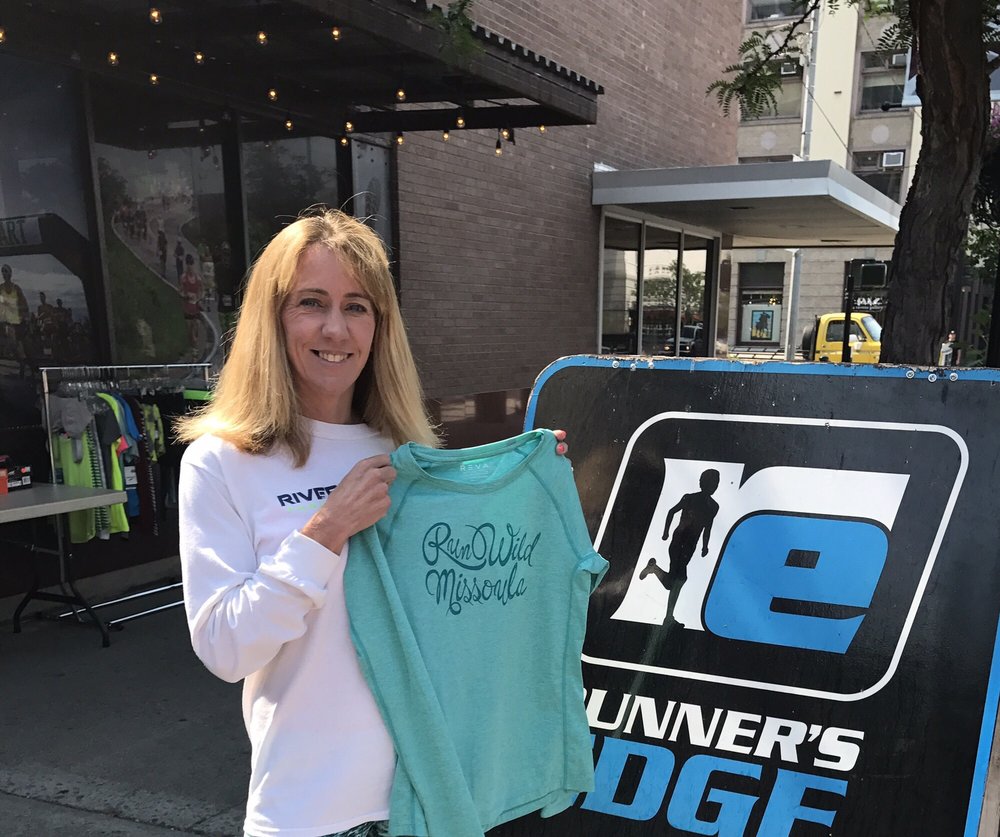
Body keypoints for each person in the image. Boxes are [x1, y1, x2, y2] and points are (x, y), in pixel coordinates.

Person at [176, 209, 567, 837]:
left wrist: (526, 490)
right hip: (306, 815)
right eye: (311, 302)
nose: (335, 328)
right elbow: (225, 649)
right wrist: (324, 532)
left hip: (429, 802)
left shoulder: (406, 454)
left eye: (357, 307)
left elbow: (466, 618)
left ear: (380, 327)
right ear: (272, 318)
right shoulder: (223, 462)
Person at [640, 468, 720, 624]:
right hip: (679, 541)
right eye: (711, 482)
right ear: (702, 482)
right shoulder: (689, 498)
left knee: (673, 582)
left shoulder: (714, 506)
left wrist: (705, 546)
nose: (713, 485)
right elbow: (672, 512)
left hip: (691, 545)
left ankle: (654, 568)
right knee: (680, 578)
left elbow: (708, 527)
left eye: (716, 483)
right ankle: (668, 617)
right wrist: (666, 532)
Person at [179, 254, 204, 356]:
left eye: (191, 265)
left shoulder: (198, 278)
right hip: (187, 308)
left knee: (196, 326)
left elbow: (202, 290)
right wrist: (186, 295)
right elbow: (180, 291)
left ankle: (195, 348)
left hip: (196, 307)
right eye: (188, 265)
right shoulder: (183, 278)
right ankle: (192, 346)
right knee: (190, 330)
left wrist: (199, 298)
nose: (190, 267)